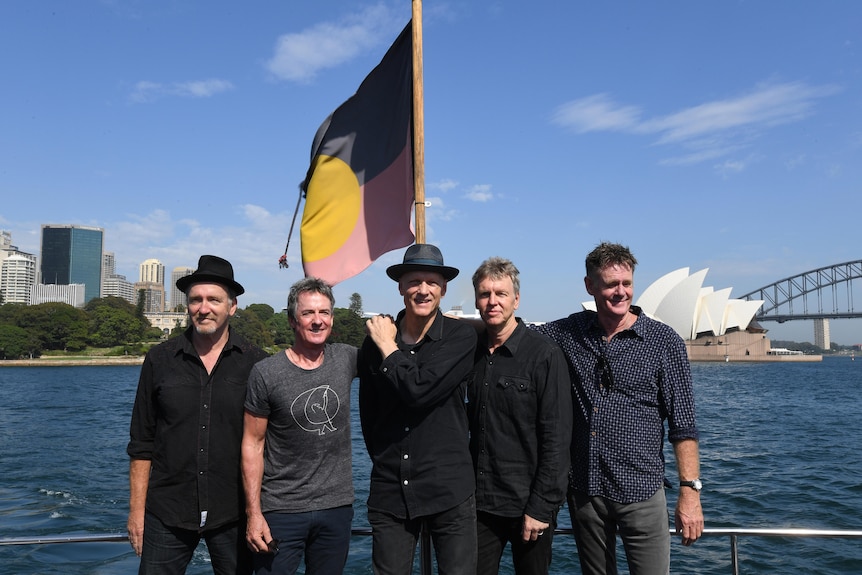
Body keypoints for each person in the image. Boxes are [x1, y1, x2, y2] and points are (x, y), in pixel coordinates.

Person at [535, 242, 704, 575]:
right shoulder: (569, 332)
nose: (620, 292)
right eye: (611, 284)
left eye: (626, 283)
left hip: (641, 492)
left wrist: (690, 492)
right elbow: (516, 333)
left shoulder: (663, 341)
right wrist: (453, 328)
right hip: (585, 491)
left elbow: (683, 425)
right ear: (590, 286)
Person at [127, 255, 270, 575]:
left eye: (213, 299)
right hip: (167, 512)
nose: (204, 308)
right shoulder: (159, 359)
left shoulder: (256, 363)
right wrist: (137, 512)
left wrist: (258, 512)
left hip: (234, 513)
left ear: (232, 307)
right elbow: (141, 442)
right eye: (196, 300)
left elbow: (266, 443)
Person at [358, 243, 478, 575]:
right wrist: (384, 457)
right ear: (400, 287)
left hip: (448, 489)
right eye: (414, 281)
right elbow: (368, 414)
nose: (422, 290)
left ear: (443, 289)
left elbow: (419, 391)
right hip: (390, 490)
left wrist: (387, 346)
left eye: (431, 282)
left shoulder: (459, 338)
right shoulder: (372, 343)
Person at [241, 277, 357, 575]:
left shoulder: (346, 358)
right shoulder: (266, 373)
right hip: (281, 510)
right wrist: (253, 513)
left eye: (325, 313)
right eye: (308, 313)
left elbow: (403, 346)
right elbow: (252, 445)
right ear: (293, 320)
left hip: (336, 508)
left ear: (332, 317)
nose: (318, 321)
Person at [467, 257, 573, 575]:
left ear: (517, 299)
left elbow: (557, 437)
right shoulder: (469, 353)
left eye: (500, 293)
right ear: (476, 300)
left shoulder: (544, 355)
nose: (492, 301)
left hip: (528, 506)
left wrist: (541, 507)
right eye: (485, 294)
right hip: (479, 504)